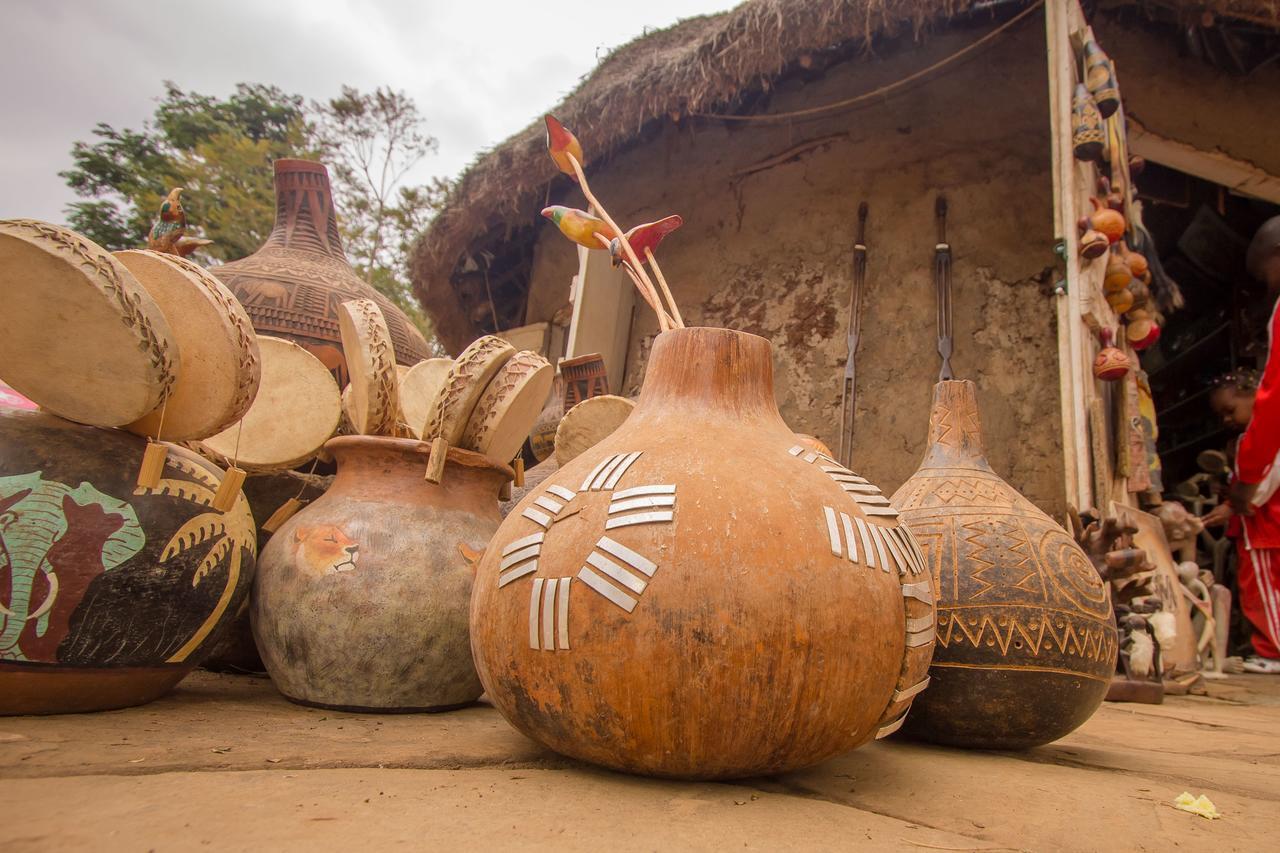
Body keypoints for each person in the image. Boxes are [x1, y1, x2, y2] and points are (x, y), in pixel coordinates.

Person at [1204, 216, 1280, 673]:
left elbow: (1274, 404)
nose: (1267, 287)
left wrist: (1246, 485)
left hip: (1266, 516)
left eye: (1265, 276)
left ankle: (1272, 651)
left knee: (1265, 579)